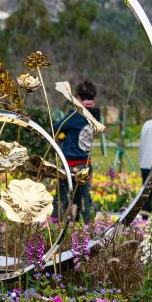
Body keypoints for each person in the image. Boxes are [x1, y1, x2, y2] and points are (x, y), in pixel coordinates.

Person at [53, 80, 101, 223]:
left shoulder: (75, 114)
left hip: (68, 164)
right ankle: (86, 227)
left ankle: (56, 224)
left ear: (78, 97)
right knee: (84, 199)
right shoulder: (95, 115)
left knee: (61, 198)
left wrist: (63, 136)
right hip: (85, 164)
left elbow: (55, 128)